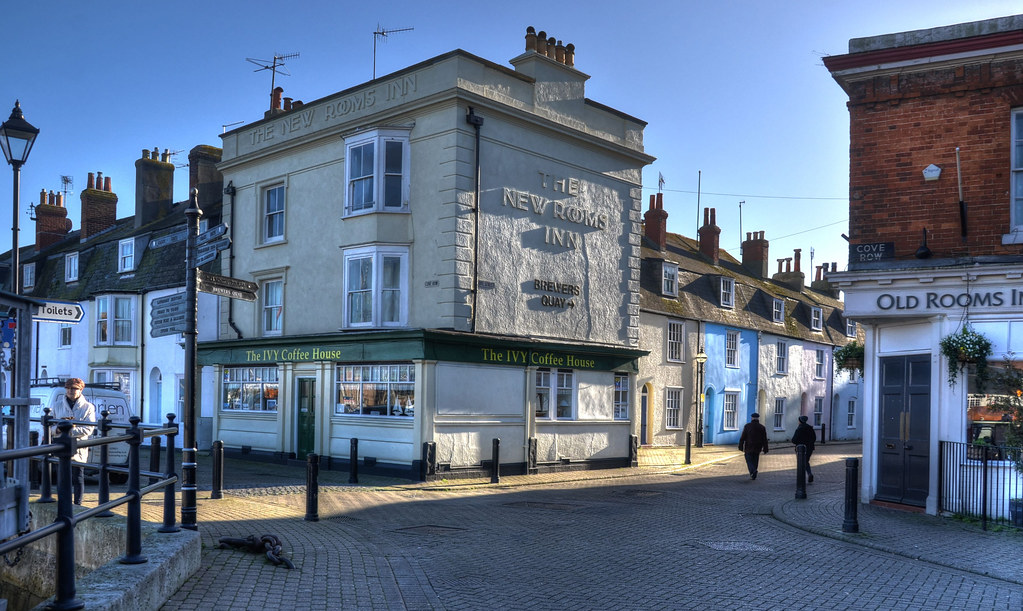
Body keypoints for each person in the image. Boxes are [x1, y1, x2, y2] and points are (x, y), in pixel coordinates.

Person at [51, 378, 96, 505]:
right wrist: (57, 429)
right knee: (61, 478)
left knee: (78, 477)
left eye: (74, 388)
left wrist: (68, 430)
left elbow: (89, 429)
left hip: (78, 447)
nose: (71, 391)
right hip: (61, 446)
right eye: (68, 388)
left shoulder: (88, 407)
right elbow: (50, 427)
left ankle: (77, 504)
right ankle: (63, 503)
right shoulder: (57, 406)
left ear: (81, 390)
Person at [738, 412, 769, 480]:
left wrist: (740, 446)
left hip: (749, 446)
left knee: (749, 460)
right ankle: (753, 473)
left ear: (752, 418)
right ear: (758, 418)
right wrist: (765, 448)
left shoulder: (747, 426)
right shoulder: (762, 427)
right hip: (758, 446)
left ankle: (753, 471)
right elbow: (764, 439)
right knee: (755, 459)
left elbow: (743, 437)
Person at [791, 415, 816, 483]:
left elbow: (794, 440)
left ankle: (802, 477)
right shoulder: (810, 428)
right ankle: (809, 473)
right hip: (810, 448)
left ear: (800, 421)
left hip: (800, 449)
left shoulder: (799, 429)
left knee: (801, 462)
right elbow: (814, 438)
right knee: (806, 461)